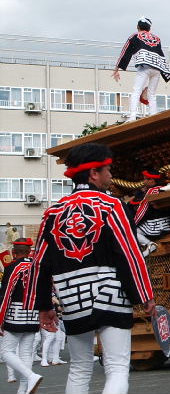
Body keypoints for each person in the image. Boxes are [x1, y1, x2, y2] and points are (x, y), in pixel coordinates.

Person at [26, 142, 156, 394]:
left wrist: (44, 305)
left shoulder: (53, 212)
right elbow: (129, 254)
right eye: (107, 169)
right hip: (111, 292)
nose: (110, 175)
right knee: (117, 366)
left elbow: (39, 263)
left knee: (79, 367)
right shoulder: (112, 205)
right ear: (94, 173)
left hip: (72, 297)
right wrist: (144, 295)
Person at [0, 238, 43, 394]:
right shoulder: (36, 267)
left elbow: (6, 293)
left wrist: (0, 317)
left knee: (5, 352)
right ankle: (23, 389)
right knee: (26, 352)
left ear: (14, 252)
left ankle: (31, 376)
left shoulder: (13, 267)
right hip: (33, 312)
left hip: (15, 312)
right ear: (28, 251)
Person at [112, 17, 170, 121]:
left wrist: (117, 69)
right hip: (157, 67)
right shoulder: (157, 38)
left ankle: (132, 116)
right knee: (152, 94)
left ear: (138, 27)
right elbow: (160, 54)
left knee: (136, 91)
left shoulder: (135, 36)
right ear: (149, 28)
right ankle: (153, 115)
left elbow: (125, 52)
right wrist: (165, 71)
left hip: (144, 66)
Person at [134, 169, 170, 256]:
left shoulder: (151, 191)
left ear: (152, 180)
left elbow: (142, 210)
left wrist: (133, 223)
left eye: (145, 179)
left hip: (157, 226)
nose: (144, 181)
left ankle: (150, 244)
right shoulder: (164, 188)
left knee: (130, 230)